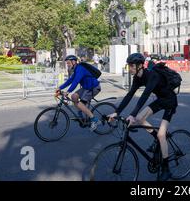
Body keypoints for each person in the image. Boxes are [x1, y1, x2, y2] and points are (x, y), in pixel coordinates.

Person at [108, 53, 179, 181]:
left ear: (140, 66)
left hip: (169, 101)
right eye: (128, 65)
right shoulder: (137, 78)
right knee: (140, 119)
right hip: (160, 100)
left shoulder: (153, 75)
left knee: (162, 135)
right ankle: (156, 138)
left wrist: (132, 115)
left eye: (131, 66)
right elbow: (129, 95)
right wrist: (117, 112)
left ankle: (166, 169)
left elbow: (144, 96)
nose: (129, 68)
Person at [56, 55, 102, 131]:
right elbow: (70, 80)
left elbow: (76, 81)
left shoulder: (80, 69)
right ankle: (81, 115)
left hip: (93, 88)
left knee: (80, 103)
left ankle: (94, 119)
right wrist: (59, 88)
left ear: (73, 62)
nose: (67, 65)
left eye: (68, 63)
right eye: (67, 63)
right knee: (74, 97)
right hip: (86, 88)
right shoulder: (76, 69)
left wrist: (68, 91)